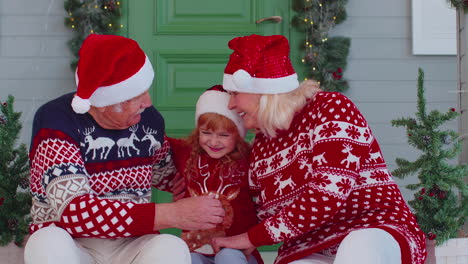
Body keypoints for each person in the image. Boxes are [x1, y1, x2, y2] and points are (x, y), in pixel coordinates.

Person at [211, 34, 427, 264]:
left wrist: (249, 238)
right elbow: (257, 214)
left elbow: (327, 194)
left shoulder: (331, 109)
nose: (230, 105)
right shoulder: (261, 148)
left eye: (234, 93)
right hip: (308, 247)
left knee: (358, 247)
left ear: (263, 90)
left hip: (373, 228)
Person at [24, 34, 224, 264]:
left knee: (171, 247)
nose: (148, 102)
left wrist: (212, 162)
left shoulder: (147, 120)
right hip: (74, 242)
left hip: (131, 243)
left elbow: (170, 173)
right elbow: (74, 213)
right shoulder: (56, 121)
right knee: (46, 242)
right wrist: (174, 214)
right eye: (136, 96)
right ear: (105, 102)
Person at [168, 85, 264, 264]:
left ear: (239, 135)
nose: (213, 141)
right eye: (206, 132)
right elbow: (156, 143)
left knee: (227, 256)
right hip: (197, 245)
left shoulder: (249, 159)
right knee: (188, 259)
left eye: (223, 135)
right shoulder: (186, 152)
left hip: (237, 250)